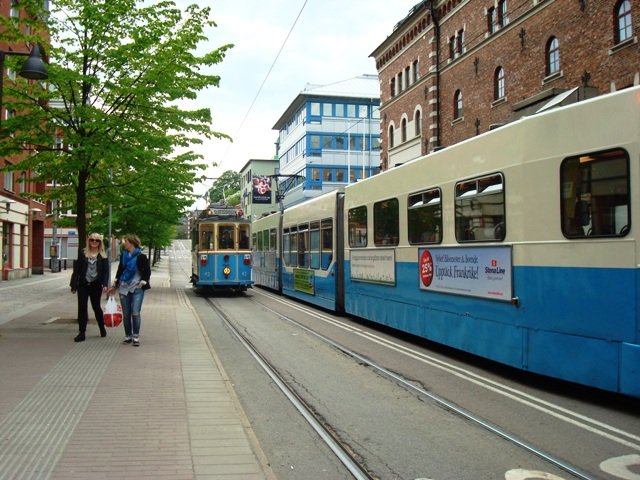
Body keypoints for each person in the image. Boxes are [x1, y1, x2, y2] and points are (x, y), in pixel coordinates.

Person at [111, 234, 151, 347]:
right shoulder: (124, 256)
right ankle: (128, 336)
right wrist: (115, 283)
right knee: (126, 314)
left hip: (137, 288)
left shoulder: (141, 256)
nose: (125, 243)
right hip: (124, 287)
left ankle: (136, 336)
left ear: (132, 243)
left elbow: (147, 271)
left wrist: (143, 281)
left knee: (135, 312)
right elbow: (120, 270)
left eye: (126, 242)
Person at [69, 233, 110, 342]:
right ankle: (81, 333)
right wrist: (73, 285)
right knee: (82, 308)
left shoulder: (103, 255)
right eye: (92, 240)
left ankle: (102, 327)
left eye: (97, 240)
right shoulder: (83, 253)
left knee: (96, 307)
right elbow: (76, 270)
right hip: (83, 284)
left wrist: (105, 284)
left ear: (100, 242)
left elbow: (106, 272)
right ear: (89, 241)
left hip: (96, 284)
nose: (94, 242)